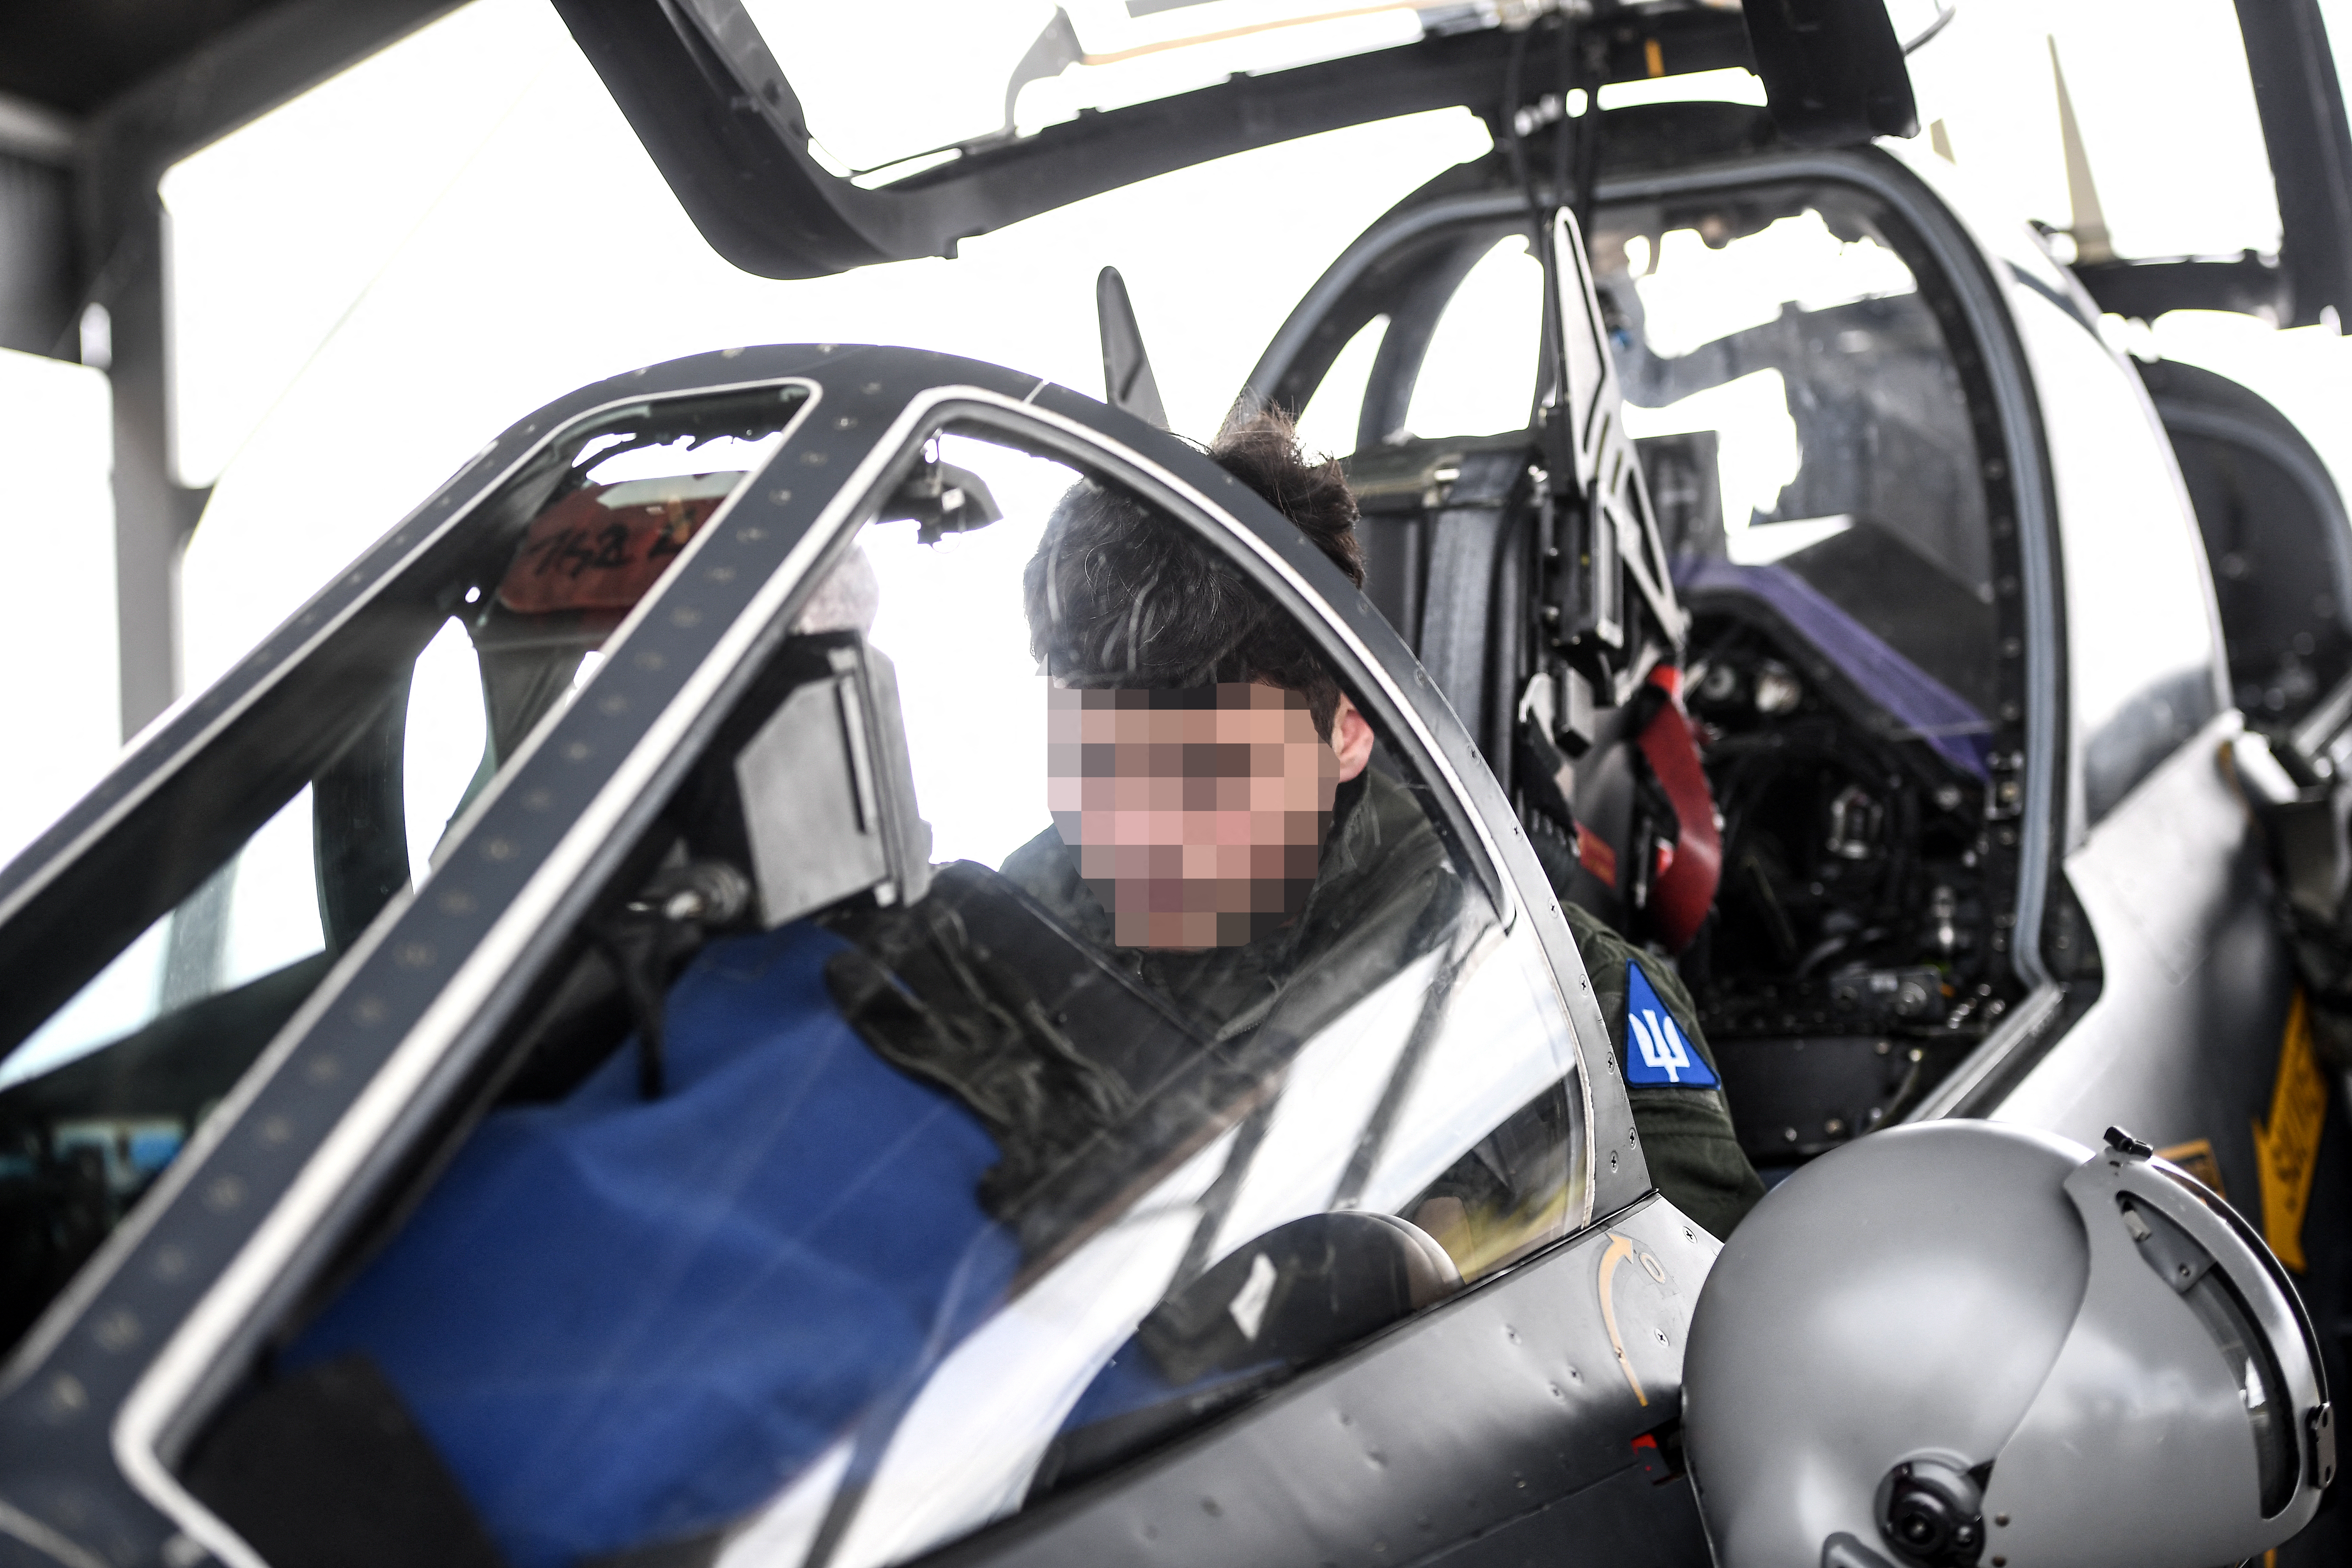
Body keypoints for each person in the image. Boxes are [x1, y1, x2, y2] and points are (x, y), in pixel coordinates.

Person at [999, 407, 1761, 1240]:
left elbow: (1691, 1316)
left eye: (1204, 774)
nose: (1129, 831)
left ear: (1348, 730)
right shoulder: (993, 951)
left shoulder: (1565, 1003)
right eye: (1093, 762)